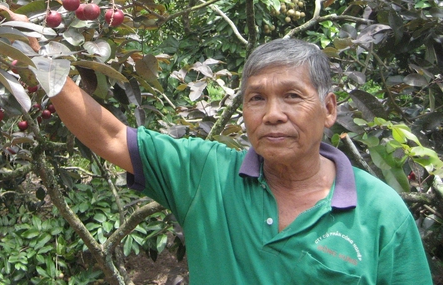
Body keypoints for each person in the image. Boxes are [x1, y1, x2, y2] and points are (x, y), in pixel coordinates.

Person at [43, 37, 432, 284]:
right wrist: (38, 57)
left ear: (328, 109)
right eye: (256, 98)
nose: (273, 114)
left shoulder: (381, 212)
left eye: (293, 96)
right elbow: (109, 135)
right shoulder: (205, 175)